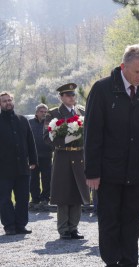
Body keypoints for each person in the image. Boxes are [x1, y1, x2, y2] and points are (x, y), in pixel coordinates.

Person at [84, 44, 139, 267]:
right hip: (108, 171)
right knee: (109, 220)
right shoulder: (102, 89)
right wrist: (92, 171)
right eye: (136, 71)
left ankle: (129, 262)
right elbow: (92, 133)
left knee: (131, 220)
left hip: (137, 169)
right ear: (122, 66)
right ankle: (112, 261)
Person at [44, 83, 90, 239]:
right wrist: (68, 139)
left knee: (77, 192)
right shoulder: (54, 113)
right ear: (61, 97)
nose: (72, 97)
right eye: (68, 95)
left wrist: (82, 139)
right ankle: (64, 228)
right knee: (63, 193)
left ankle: (74, 227)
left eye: (73, 95)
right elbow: (47, 138)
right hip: (63, 157)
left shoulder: (82, 111)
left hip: (79, 157)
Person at [0, 91, 37, 235]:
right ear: (0, 104)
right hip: (3, 169)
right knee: (4, 199)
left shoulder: (22, 120)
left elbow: (30, 142)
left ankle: (21, 225)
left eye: (9, 100)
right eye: (4, 101)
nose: (8, 103)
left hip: (23, 167)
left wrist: (33, 160)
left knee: (23, 198)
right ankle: (9, 226)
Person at [28, 103, 53, 209]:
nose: (43, 113)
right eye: (41, 111)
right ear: (36, 112)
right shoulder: (29, 123)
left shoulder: (50, 123)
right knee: (33, 178)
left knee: (47, 178)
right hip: (33, 156)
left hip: (46, 155)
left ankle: (45, 198)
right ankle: (35, 198)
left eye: (45, 112)